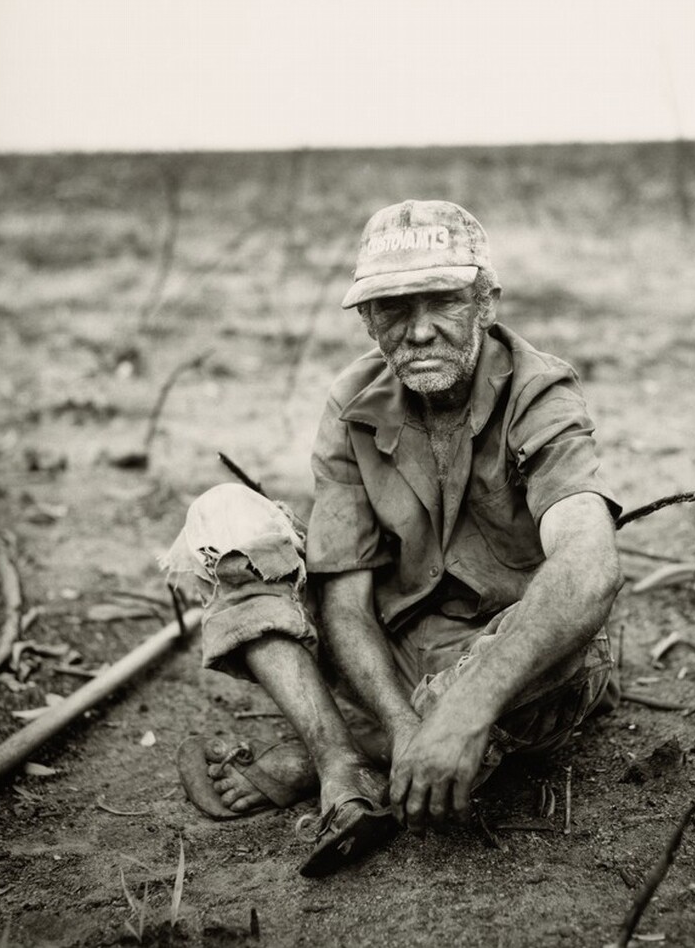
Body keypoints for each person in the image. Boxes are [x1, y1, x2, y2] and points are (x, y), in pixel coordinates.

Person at [166, 199, 622, 877]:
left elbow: (587, 566)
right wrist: (407, 726)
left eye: (441, 301)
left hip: (501, 655)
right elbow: (344, 601)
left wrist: (465, 708)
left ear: (485, 303)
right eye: (392, 308)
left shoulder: (540, 391)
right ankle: (342, 759)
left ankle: (356, 747)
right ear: (365, 319)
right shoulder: (352, 400)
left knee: (556, 633)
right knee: (226, 516)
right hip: (387, 647)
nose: (418, 332)